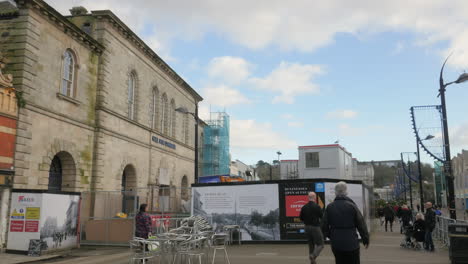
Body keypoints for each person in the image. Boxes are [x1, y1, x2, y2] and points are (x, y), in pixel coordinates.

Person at [322, 182, 369, 264]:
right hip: (352, 242)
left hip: (336, 243)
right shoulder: (352, 206)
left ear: (335, 193)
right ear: (346, 192)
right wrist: (365, 239)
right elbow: (361, 224)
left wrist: (330, 235)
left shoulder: (330, 207)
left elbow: (324, 225)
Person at [300, 192, 324, 264]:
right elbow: (322, 216)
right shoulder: (317, 206)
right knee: (321, 244)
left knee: (311, 244)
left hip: (306, 227)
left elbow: (301, 218)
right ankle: (313, 256)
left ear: (308, 197)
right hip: (315, 227)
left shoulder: (304, 207)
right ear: (315, 197)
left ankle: (312, 261)